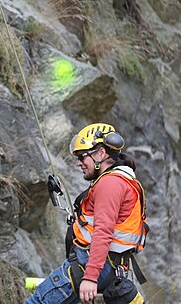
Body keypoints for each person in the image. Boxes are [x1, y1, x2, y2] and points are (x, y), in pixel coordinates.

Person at [26, 123, 148, 303]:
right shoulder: (123, 180)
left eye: (82, 156)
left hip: (90, 264)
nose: (79, 163)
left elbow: (103, 232)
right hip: (109, 265)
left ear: (101, 153)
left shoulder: (111, 184)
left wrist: (90, 277)